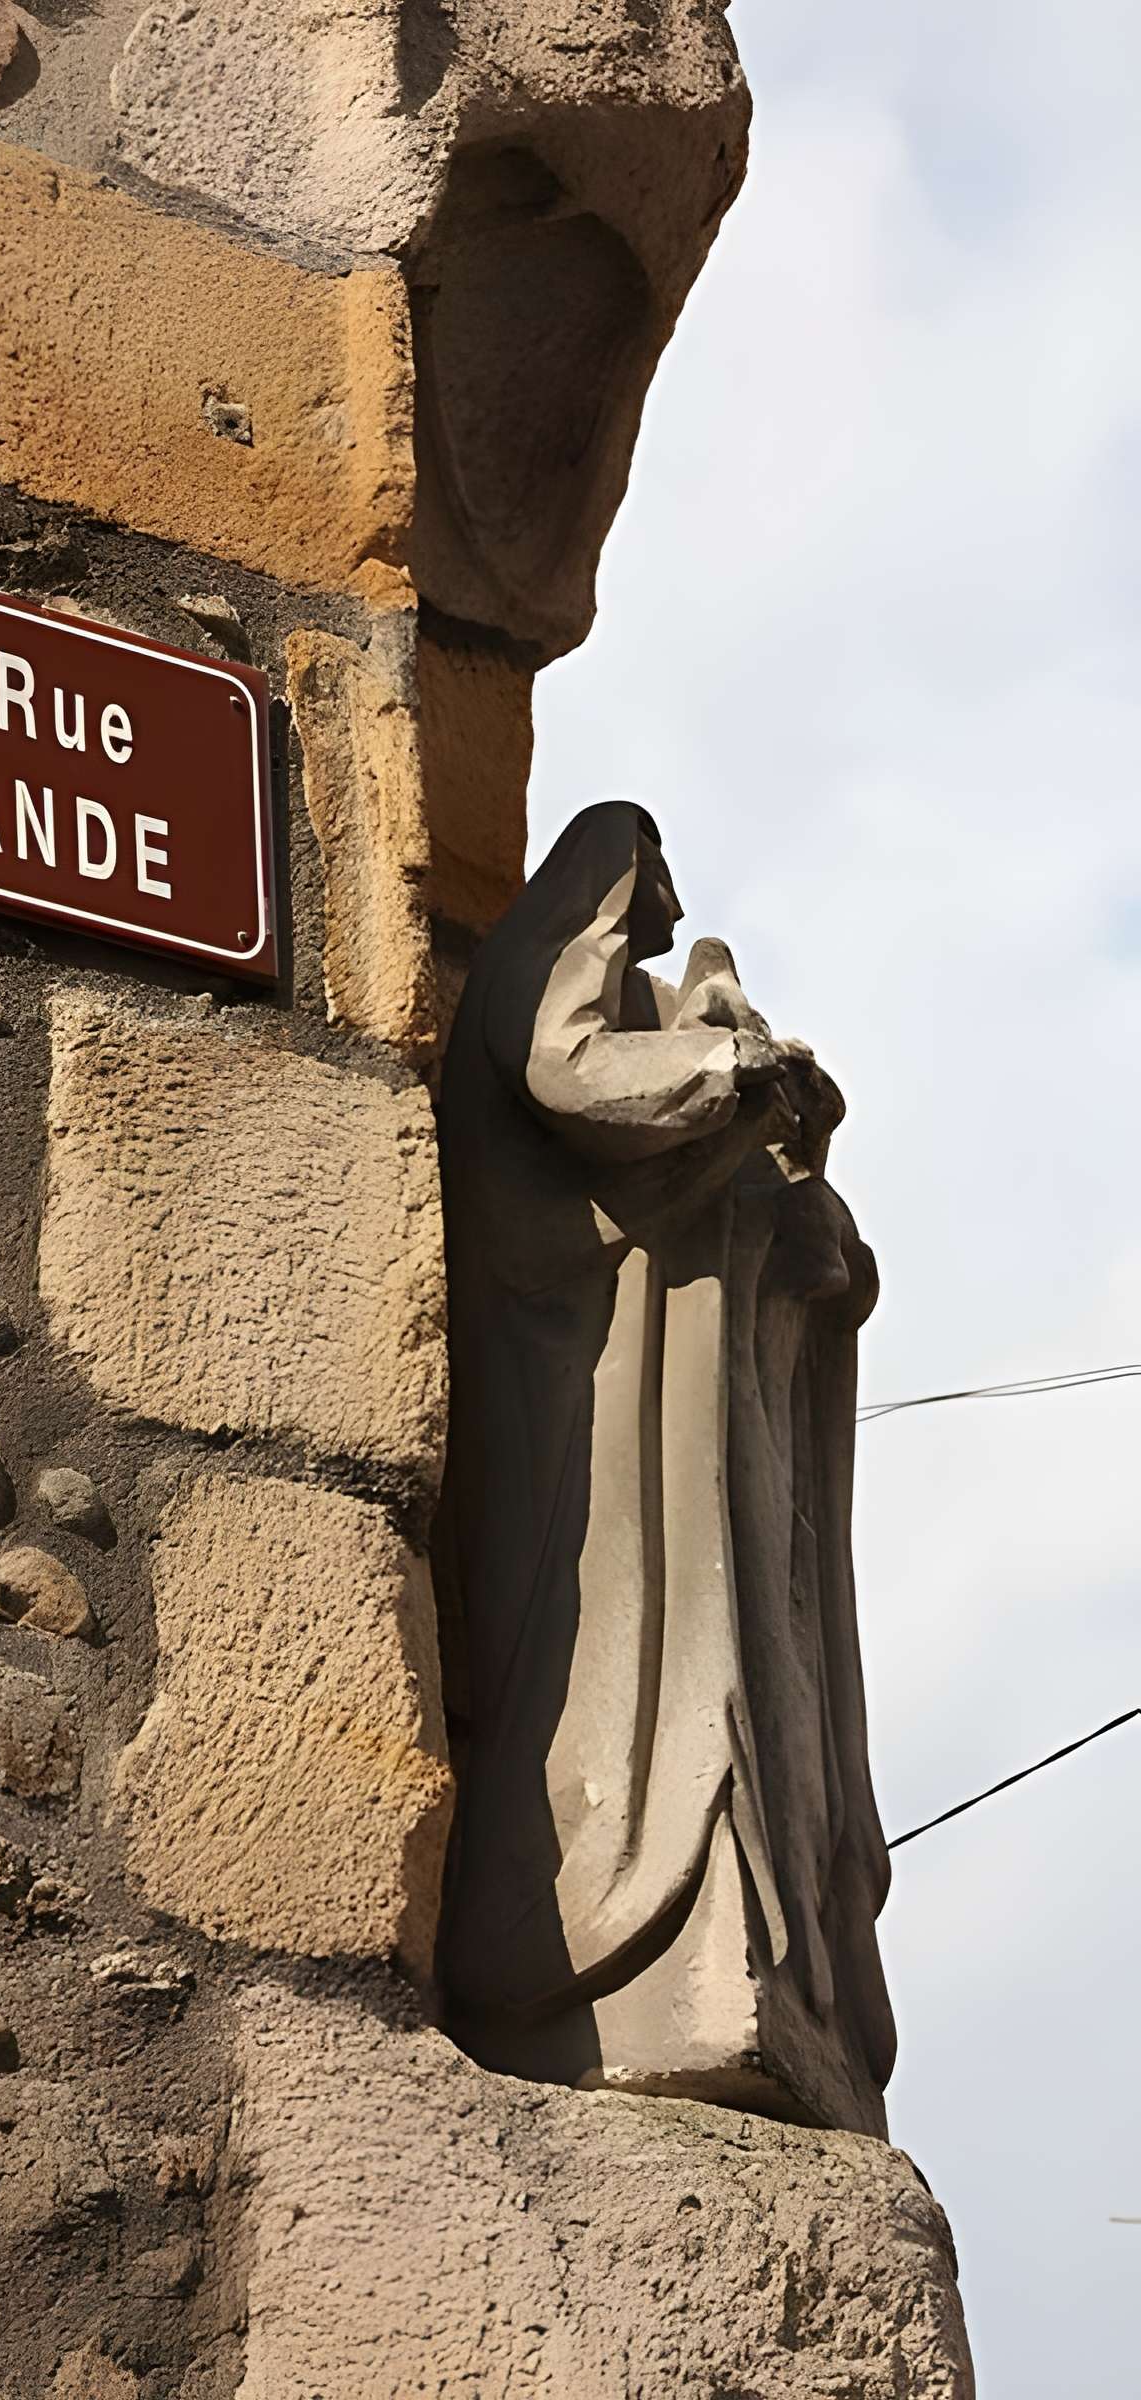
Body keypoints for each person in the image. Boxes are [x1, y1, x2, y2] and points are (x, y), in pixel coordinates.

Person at [434, 801, 895, 2128]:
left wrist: (781, 1140)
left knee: (728, 1682)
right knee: (616, 1693)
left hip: (693, 1449)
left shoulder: (656, 1031)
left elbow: (792, 1250)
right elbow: (569, 1076)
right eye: (655, 883)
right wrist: (734, 1076)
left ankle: (741, 1964)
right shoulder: (565, 1013)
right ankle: (621, 1971)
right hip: (589, 1429)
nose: (674, 911)